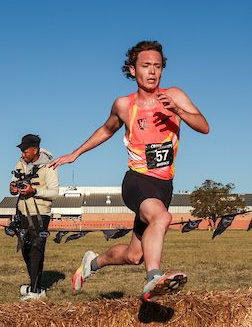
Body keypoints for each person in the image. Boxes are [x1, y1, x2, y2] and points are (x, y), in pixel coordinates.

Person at [49, 41, 209, 302]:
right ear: (132, 70)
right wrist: (75, 154)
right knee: (162, 218)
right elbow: (106, 130)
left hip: (164, 185)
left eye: (157, 66)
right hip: (137, 181)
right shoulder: (124, 105)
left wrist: (177, 110)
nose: (152, 72)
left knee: (135, 255)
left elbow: (204, 126)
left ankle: (93, 262)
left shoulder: (175, 96)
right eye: (146, 66)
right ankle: (154, 278)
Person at [10, 134, 59, 301]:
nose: (23, 154)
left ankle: (34, 291)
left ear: (35, 150)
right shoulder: (20, 163)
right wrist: (12, 188)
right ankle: (36, 287)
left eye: (25, 151)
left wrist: (35, 191)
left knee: (36, 251)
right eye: (22, 151)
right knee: (25, 250)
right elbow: (14, 182)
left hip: (40, 215)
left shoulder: (50, 167)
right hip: (22, 213)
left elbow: (54, 193)